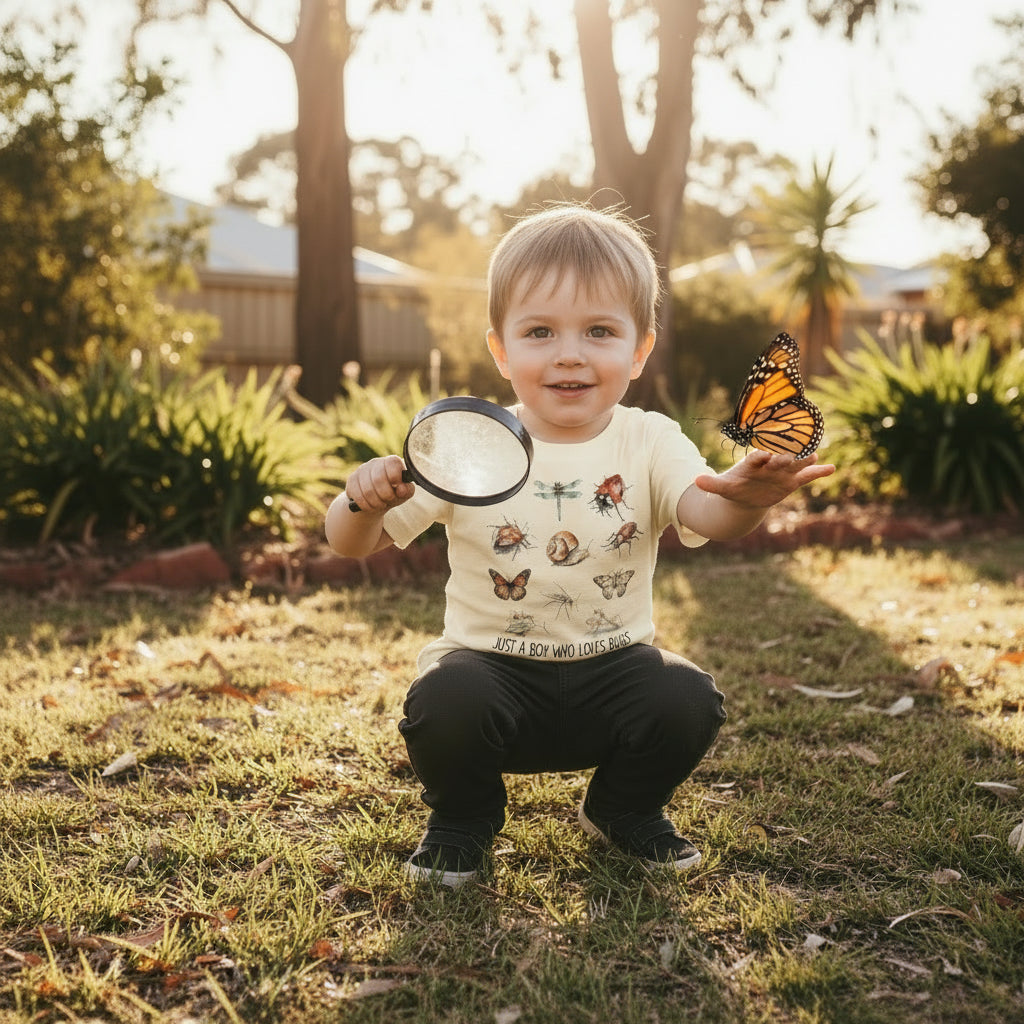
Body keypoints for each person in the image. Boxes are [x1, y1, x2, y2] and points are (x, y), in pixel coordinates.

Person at [325, 204, 835, 888]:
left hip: (613, 674)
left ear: (639, 348)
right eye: (539, 331)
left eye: (599, 330)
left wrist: (744, 499)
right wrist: (361, 501)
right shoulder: (470, 442)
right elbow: (350, 543)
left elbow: (706, 513)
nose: (569, 353)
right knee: (443, 701)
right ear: (501, 349)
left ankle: (622, 806)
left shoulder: (649, 439)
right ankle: (463, 820)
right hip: (491, 673)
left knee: (686, 698)